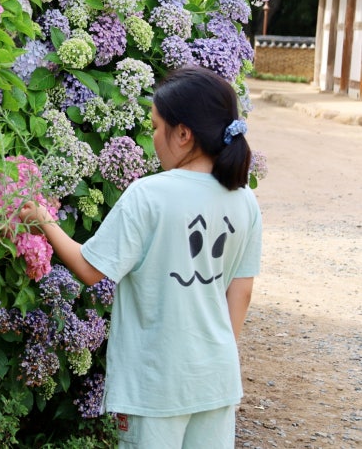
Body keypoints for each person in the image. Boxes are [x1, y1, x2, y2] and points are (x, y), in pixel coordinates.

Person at [19, 65, 262, 449]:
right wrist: (211, 358)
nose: (152, 138)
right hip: (216, 376)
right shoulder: (245, 199)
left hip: (155, 383)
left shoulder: (149, 195)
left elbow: (91, 269)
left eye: (154, 127)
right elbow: (242, 292)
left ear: (183, 134)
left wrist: (44, 220)